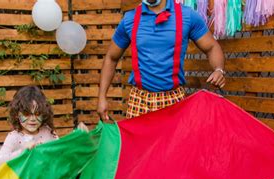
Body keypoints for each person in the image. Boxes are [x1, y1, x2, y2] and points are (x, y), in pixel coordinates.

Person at [97, 0, 226, 120]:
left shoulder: (187, 16)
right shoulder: (130, 19)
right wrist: (102, 97)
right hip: (140, 100)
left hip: (173, 99)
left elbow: (212, 47)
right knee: (140, 145)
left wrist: (219, 70)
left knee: (174, 145)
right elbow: (111, 58)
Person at [0, 85, 58, 168]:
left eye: (37, 114)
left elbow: (61, 152)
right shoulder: (14, 137)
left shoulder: (48, 132)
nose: (33, 119)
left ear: (44, 113)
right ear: (17, 114)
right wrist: (22, 152)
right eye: (26, 114)